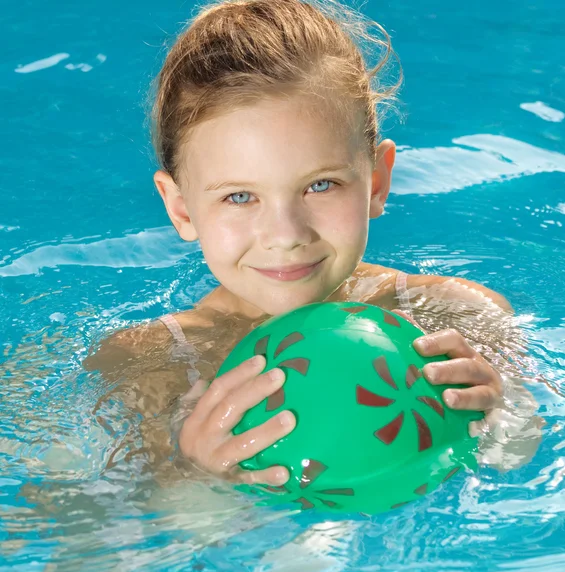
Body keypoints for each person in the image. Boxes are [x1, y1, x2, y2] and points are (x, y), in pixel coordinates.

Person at [84, 0, 541, 486]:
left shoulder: (456, 318)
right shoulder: (147, 368)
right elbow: (98, 545)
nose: (285, 235)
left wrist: (500, 417)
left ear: (377, 181)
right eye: (240, 196)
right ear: (180, 208)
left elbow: (520, 460)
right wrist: (197, 478)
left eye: (320, 185)